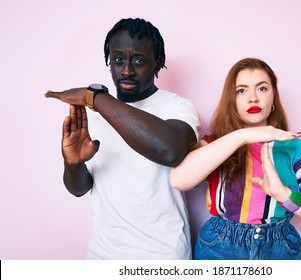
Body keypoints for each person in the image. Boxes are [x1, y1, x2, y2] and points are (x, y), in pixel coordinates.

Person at [44, 18, 200, 259]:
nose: (126, 70)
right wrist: (73, 163)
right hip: (103, 255)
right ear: (109, 61)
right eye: (118, 60)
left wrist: (94, 97)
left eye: (138, 60)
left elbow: (170, 151)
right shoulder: (91, 115)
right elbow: (78, 189)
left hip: (164, 256)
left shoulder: (178, 108)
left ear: (157, 63)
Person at [169, 57, 301, 260]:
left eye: (262, 88)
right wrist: (244, 136)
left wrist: (285, 195)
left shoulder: (294, 147)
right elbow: (178, 179)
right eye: (241, 90)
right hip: (219, 248)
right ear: (231, 99)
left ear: (273, 96)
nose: (253, 98)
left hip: (280, 250)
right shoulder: (217, 144)